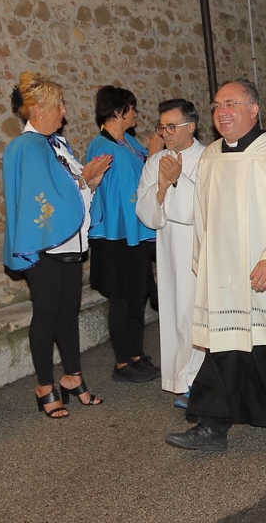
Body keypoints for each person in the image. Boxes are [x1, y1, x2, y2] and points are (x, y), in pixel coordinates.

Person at [164, 79, 266, 452]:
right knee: (226, 344)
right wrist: (206, 262)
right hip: (226, 271)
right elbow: (203, 214)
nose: (221, 112)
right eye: (216, 106)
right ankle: (211, 426)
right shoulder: (210, 157)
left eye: (231, 104)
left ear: (253, 110)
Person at [3, 72, 111, 418]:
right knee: (47, 314)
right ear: (38, 109)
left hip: (68, 244)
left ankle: (72, 377)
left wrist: (90, 182)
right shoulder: (27, 147)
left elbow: (73, 191)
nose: (64, 111)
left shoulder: (58, 146)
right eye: (58, 105)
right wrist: (84, 178)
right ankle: (44, 385)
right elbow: (44, 197)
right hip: (44, 246)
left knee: (68, 313)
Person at [86, 85, 161, 383]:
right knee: (121, 299)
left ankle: (136, 354)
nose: (136, 114)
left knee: (137, 296)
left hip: (135, 233)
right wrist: (152, 158)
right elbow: (128, 189)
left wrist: (152, 155)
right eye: (132, 108)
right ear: (119, 112)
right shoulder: (102, 147)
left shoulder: (127, 142)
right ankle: (122, 363)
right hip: (115, 236)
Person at [136, 99, 206, 407]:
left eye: (171, 127)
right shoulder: (155, 162)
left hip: (197, 247)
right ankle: (182, 378)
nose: (165, 133)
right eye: (162, 127)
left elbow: (203, 206)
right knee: (176, 315)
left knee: (196, 314)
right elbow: (145, 211)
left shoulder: (208, 158)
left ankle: (199, 382)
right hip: (168, 250)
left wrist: (178, 179)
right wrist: (162, 188)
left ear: (191, 127)